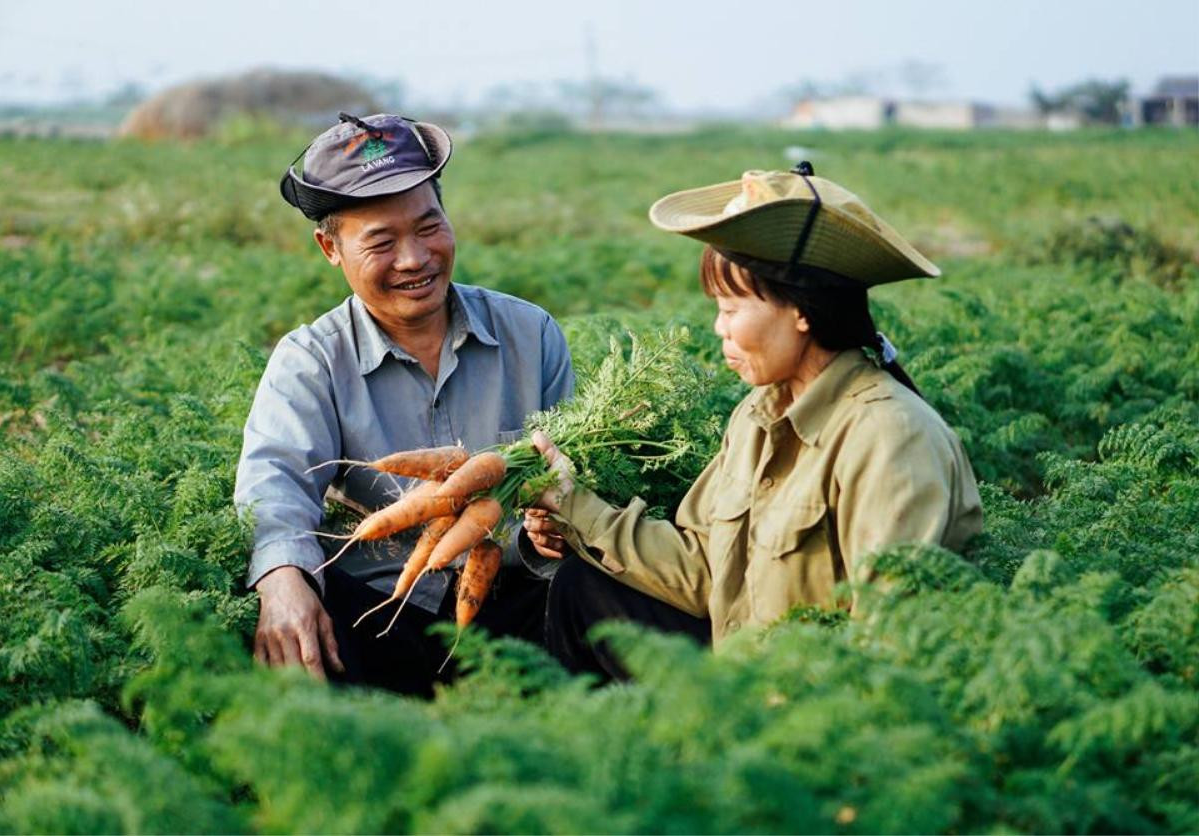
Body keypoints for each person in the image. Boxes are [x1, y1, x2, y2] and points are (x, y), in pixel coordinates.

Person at [527, 164, 982, 680]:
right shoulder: (757, 415)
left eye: (730, 308)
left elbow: (889, 643)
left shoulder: (890, 437)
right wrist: (572, 504)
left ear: (801, 311)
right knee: (579, 588)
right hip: (744, 671)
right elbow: (702, 568)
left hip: (812, 708)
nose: (719, 329)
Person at [235, 113, 573, 696]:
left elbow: (569, 468)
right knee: (282, 617)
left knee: (601, 594)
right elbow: (275, 483)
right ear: (329, 247)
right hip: (376, 610)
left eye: (428, 227)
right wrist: (283, 577)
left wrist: (552, 524)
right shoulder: (311, 360)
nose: (415, 259)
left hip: (514, 598)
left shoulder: (530, 333)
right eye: (382, 242)